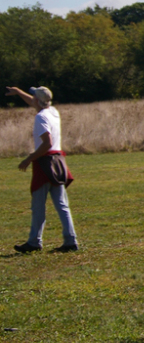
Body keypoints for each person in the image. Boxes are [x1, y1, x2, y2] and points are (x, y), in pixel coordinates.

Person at [6, 85, 78, 254]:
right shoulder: (53, 111)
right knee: (62, 204)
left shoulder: (40, 117)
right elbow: (34, 101)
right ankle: (70, 240)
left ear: (38, 101)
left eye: (33, 97)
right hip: (58, 161)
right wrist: (18, 92)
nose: (31, 99)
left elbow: (46, 143)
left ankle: (34, 242)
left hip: (44, 163)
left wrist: (28, 159)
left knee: (38, 206)